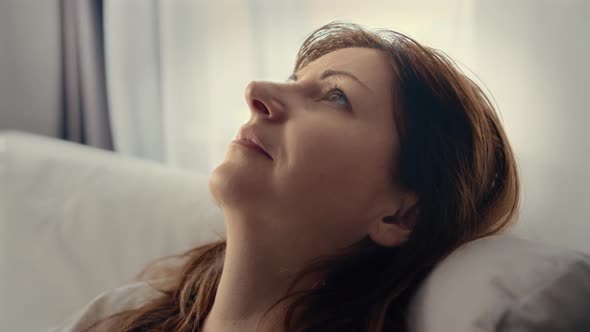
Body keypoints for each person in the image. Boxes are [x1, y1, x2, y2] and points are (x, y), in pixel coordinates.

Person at [49, 20, 520, 332]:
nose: (256, 91)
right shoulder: (117, 317)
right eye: (295, 81)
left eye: (336, 96)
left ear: (400, 215)